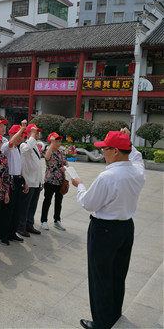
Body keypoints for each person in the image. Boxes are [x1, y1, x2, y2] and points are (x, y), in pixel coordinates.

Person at [73, 130, 145, 329]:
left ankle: (101, 323)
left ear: (115, 151)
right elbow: (136, 156)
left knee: (100, 276)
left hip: (104, 230)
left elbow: (88, 203)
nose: (102, 153)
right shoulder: (137, 171)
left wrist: (79, 186)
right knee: (117, 275)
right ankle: (113, 316)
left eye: (104, 149)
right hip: (126, 228)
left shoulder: (108, 176)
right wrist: (128, 140)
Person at [0, 120, 28, 246]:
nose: (21, 138)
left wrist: (24, 180)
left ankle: (12, 233)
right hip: (8, 181)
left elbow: (18, 168)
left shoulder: (17, 149)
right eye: (19, 135)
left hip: (17, 180)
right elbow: (10, 143)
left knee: (16, 209)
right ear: (13, 135)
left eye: (22, 136)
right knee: (7, 210)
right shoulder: (6, 148)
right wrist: (22, 128)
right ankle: (2, 235)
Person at [17, 124, 44, 237]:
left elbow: (38, 164)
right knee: (25, 206)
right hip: (28, 181)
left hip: (36, 181)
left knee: (32, 206)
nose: (37, 135)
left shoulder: (35, 146)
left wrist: (41, 180)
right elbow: (27, 149)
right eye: (34, 132)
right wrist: (31, 136)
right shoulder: (24, 145)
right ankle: (21, 226)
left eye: (37, 133)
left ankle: (29, 224)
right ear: (28, 134)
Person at [40, 132, 68, 231]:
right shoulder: (48, 150)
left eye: (59, 141)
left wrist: (65, 167)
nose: (58, 143)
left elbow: (66, 163)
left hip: (60, 180)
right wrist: (51, 144)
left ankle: (57, 220)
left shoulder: (62, 152)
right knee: (47, 201)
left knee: (58, 201)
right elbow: (47, 157)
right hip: (50, 180)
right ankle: (44, 221)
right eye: (56, 141)